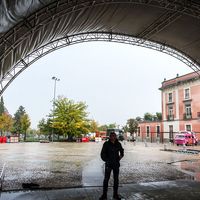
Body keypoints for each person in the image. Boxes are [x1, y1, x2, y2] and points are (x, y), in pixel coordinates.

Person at [99, 131, 124, 200]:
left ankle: (115, 195)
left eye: (114, 136)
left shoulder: (118, 144)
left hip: (116, 164)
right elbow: (102, 154)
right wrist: (106, 160)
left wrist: (119, 158)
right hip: (108, 165)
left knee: (116, 180)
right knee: (106, 179)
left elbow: (122, 152)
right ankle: (104, 195)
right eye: (112, 136)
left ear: (116, 137)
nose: (113, 137)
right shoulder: (106, 144)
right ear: (110, 137)